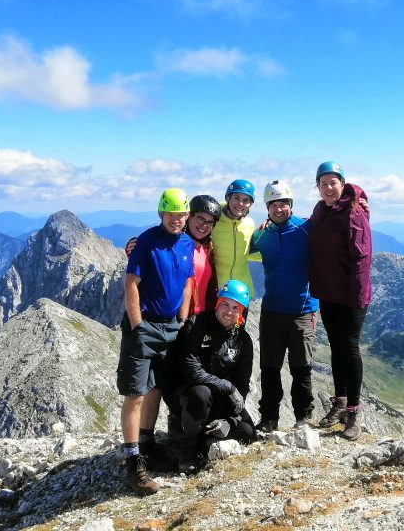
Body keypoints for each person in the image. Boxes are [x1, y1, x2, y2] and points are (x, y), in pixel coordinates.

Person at [118, 188, 195, 495]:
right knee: (136, 393)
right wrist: (137, 326)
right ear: (161, 214)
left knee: (155, 388)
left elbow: (188, 280)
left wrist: (183, 316)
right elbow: (131, 283)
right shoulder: (146, 241)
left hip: (170, 328)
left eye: (181, 215)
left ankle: (147, 445)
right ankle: (132, 462)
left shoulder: (187, 242)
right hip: (146, 326)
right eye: (171, 214)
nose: (176, 220)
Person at [308, 161, 372, 440]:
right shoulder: (320, 210)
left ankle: (355, 413)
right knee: (336, 347)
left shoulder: (354, 211)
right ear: (318, 188)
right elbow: (307, 229)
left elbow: (362, 257)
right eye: (323, 183)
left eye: (333, 182)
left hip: (351, 295)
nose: (328, 187)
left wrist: (355, 297)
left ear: (342, 184)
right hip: (328, 292)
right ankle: (341, 402)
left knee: (350, 348)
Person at [250, 180, 319, 432]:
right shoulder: (261, 235)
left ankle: (303, 417)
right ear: (267, 208)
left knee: (301, 368)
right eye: (273, 205)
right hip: (271, 311)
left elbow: (334, 223)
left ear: (291, 205)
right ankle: (269, 419)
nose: (278, 209)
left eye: (283, 204)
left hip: (302, 310)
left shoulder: (307, 228)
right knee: (269, 368)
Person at [166, 280, 255, 472]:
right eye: (225, 304)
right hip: (187, 394)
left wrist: (230, 422)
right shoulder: (196, 324)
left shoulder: (243, 341)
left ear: (241, 312)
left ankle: (207, 441)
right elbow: (191, 370)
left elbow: (242, 385)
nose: (229, 312)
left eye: (235, 307)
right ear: (217, 304)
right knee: (201, 393)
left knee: (248, 432)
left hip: (220, 400)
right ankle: (187, 450)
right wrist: (227, 387)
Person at [210, 179, 259, 296]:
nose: (240, 204)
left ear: (251, 204)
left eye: (246, 200)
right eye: (236, 198)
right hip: (215, 291)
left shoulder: (250, 224)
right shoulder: (213, 221)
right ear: (228, 198)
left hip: (241, 292)